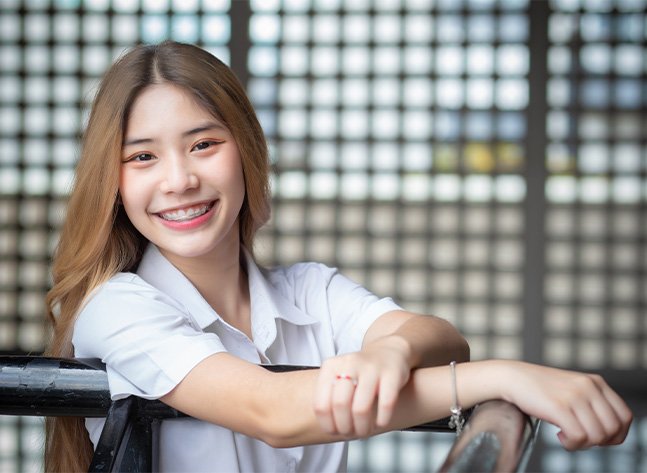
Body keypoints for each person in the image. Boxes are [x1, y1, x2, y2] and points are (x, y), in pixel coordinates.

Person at [44, 41, 631, 472]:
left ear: (246, 152)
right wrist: (507, 377)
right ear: (112, 182)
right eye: (142, 157)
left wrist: (392, 350)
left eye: (203, 144)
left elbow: (442, 337)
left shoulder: (307, 291)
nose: (179, 180)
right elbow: (272, 411)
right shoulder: (117, 306)